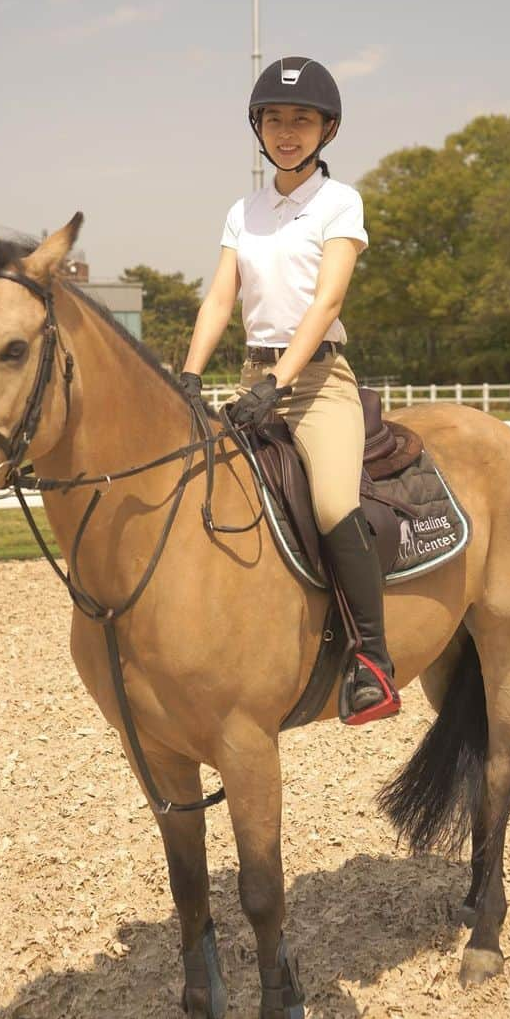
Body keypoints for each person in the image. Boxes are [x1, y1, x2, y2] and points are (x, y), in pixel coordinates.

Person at [180, 56, 400, 724]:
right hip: (253, 376)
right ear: (258, 125)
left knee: (333, 501)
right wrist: (189, 375)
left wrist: (279, 385)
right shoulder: (242, 211)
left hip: (316, 383)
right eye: (275, 118)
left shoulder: (340, 203)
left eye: (301, 119)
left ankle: (373, 663)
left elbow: (326, 297)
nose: (287, 130)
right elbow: (221, 296)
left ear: (326, 129)